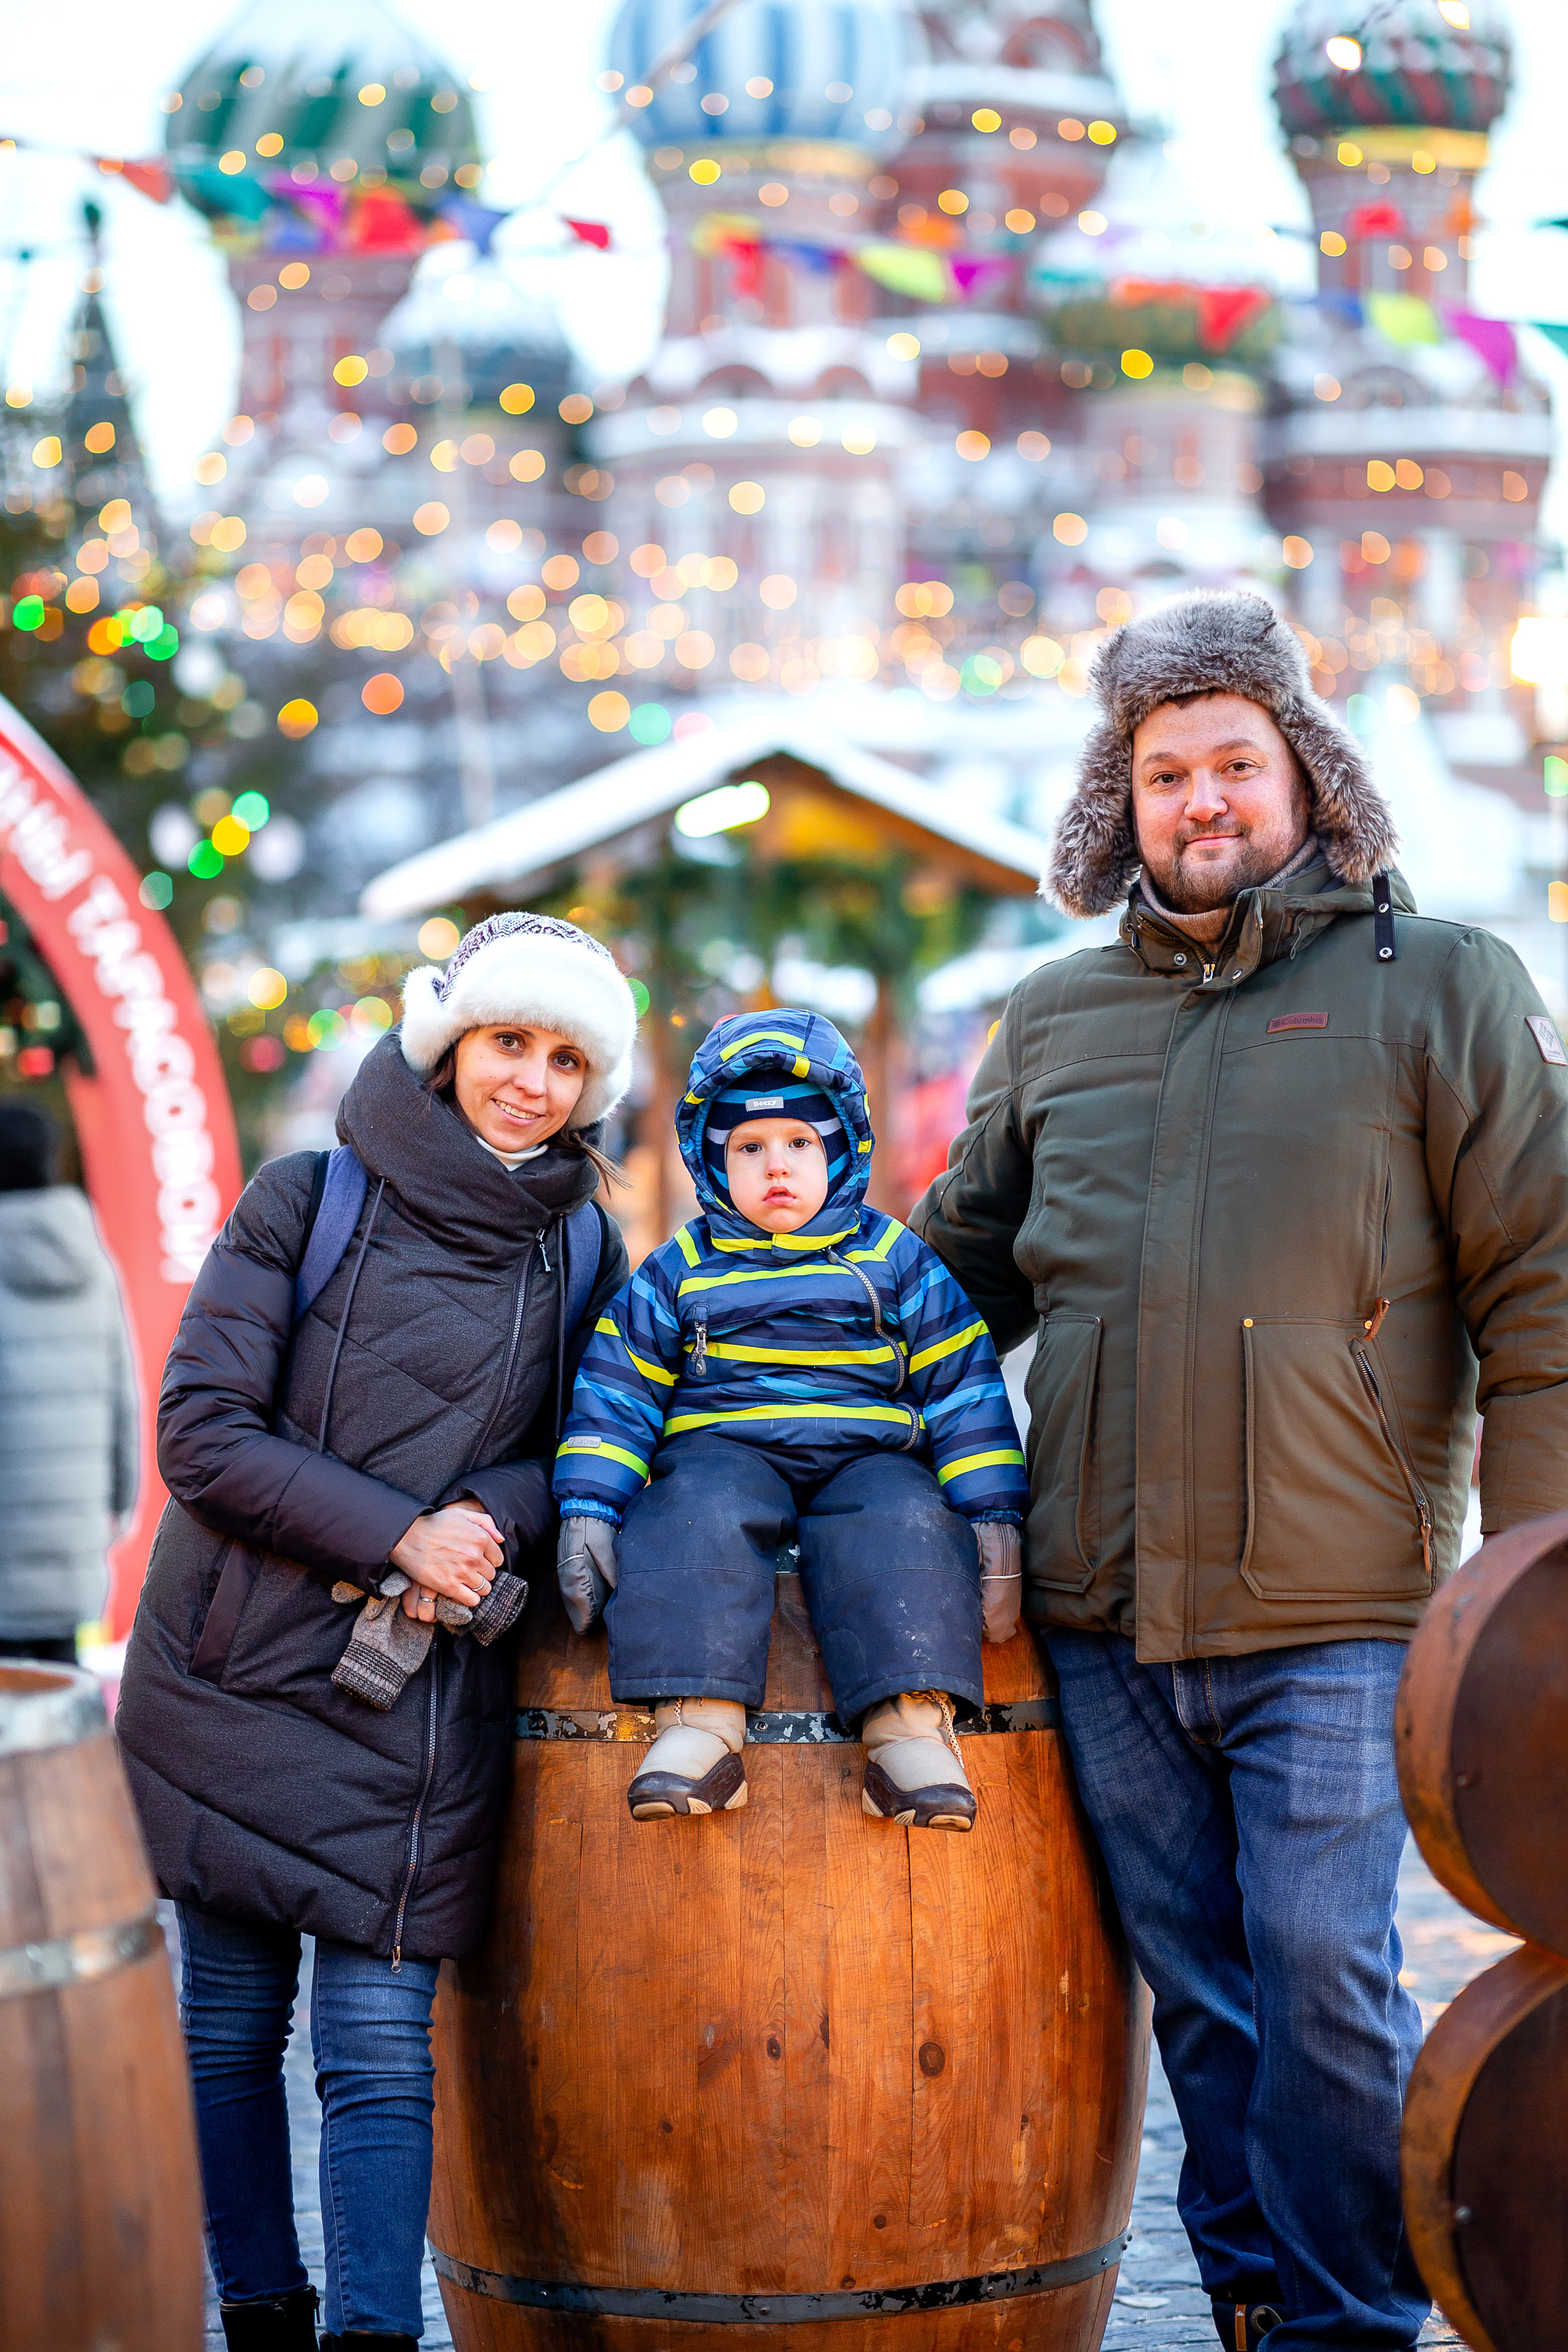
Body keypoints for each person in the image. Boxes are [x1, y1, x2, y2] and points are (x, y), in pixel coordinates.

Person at [911, 590, 1568, 2352]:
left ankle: (1354, 2317)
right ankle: (1257, 2308)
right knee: (1199, 2002)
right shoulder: (1053, 1021)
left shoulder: (1438, 986)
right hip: (1102, 1604)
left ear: (1305, 773)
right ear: (1116, 806)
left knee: (1330, 1986)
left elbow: (1541, 1281)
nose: (1201, 801)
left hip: (1340, 1606)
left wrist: (1536, 1578)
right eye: (1163, 774)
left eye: (1233, 763)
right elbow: (946, 1284)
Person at [117, 913, 636, 2352]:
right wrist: (399, 1527)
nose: (527, 1079)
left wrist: (493, 1504)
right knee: (225, 2033)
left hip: (410, 1701)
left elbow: (605, 1440)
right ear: (447, 1043)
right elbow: (200, 1432)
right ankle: (261, 2312)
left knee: (377, 2055)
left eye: (562, 1057)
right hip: (230, 1668)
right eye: (505, 1041)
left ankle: (369, 2334)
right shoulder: (306, 1197)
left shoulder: (585, 1245)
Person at [553, 1009, 1028, 1829]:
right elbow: (618, 1390)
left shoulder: (894, 1258)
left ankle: (909, 1732)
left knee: (904, 1520)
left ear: (840, 1150)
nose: (777, 1168)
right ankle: (700, 1727)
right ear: (712, 1160)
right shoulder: (681, 1269)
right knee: (686, 1513)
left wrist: (991, 1514)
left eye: (801, 1144)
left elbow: (962, 1387)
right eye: (749, 1149)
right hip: (724, 1450)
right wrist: (590, 1504)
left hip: (869, 1454)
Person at [0, 1098, 138, 1661]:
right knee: (56, 1717)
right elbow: (122, 1394)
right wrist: (119, 1500)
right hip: (71, 1539)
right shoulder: (91, 1256)